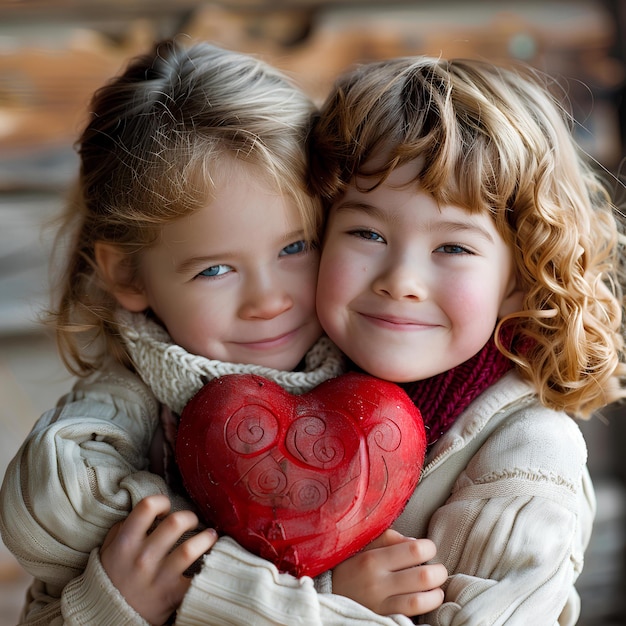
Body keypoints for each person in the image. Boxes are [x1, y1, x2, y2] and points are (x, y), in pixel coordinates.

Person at [100, 55, 626, 624]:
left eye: (453, 247)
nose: (400, 281)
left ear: (520, 279)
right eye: (367, 232)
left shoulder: (529, 457)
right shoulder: (261, 383)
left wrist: (248, 598)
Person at [0, 40, 445, 625]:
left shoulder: (390, 371)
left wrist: (206, 592)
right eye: (215, 269)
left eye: (296, 247)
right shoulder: (97, 459)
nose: (269, 300)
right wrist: (113, 607)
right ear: (128, 273)